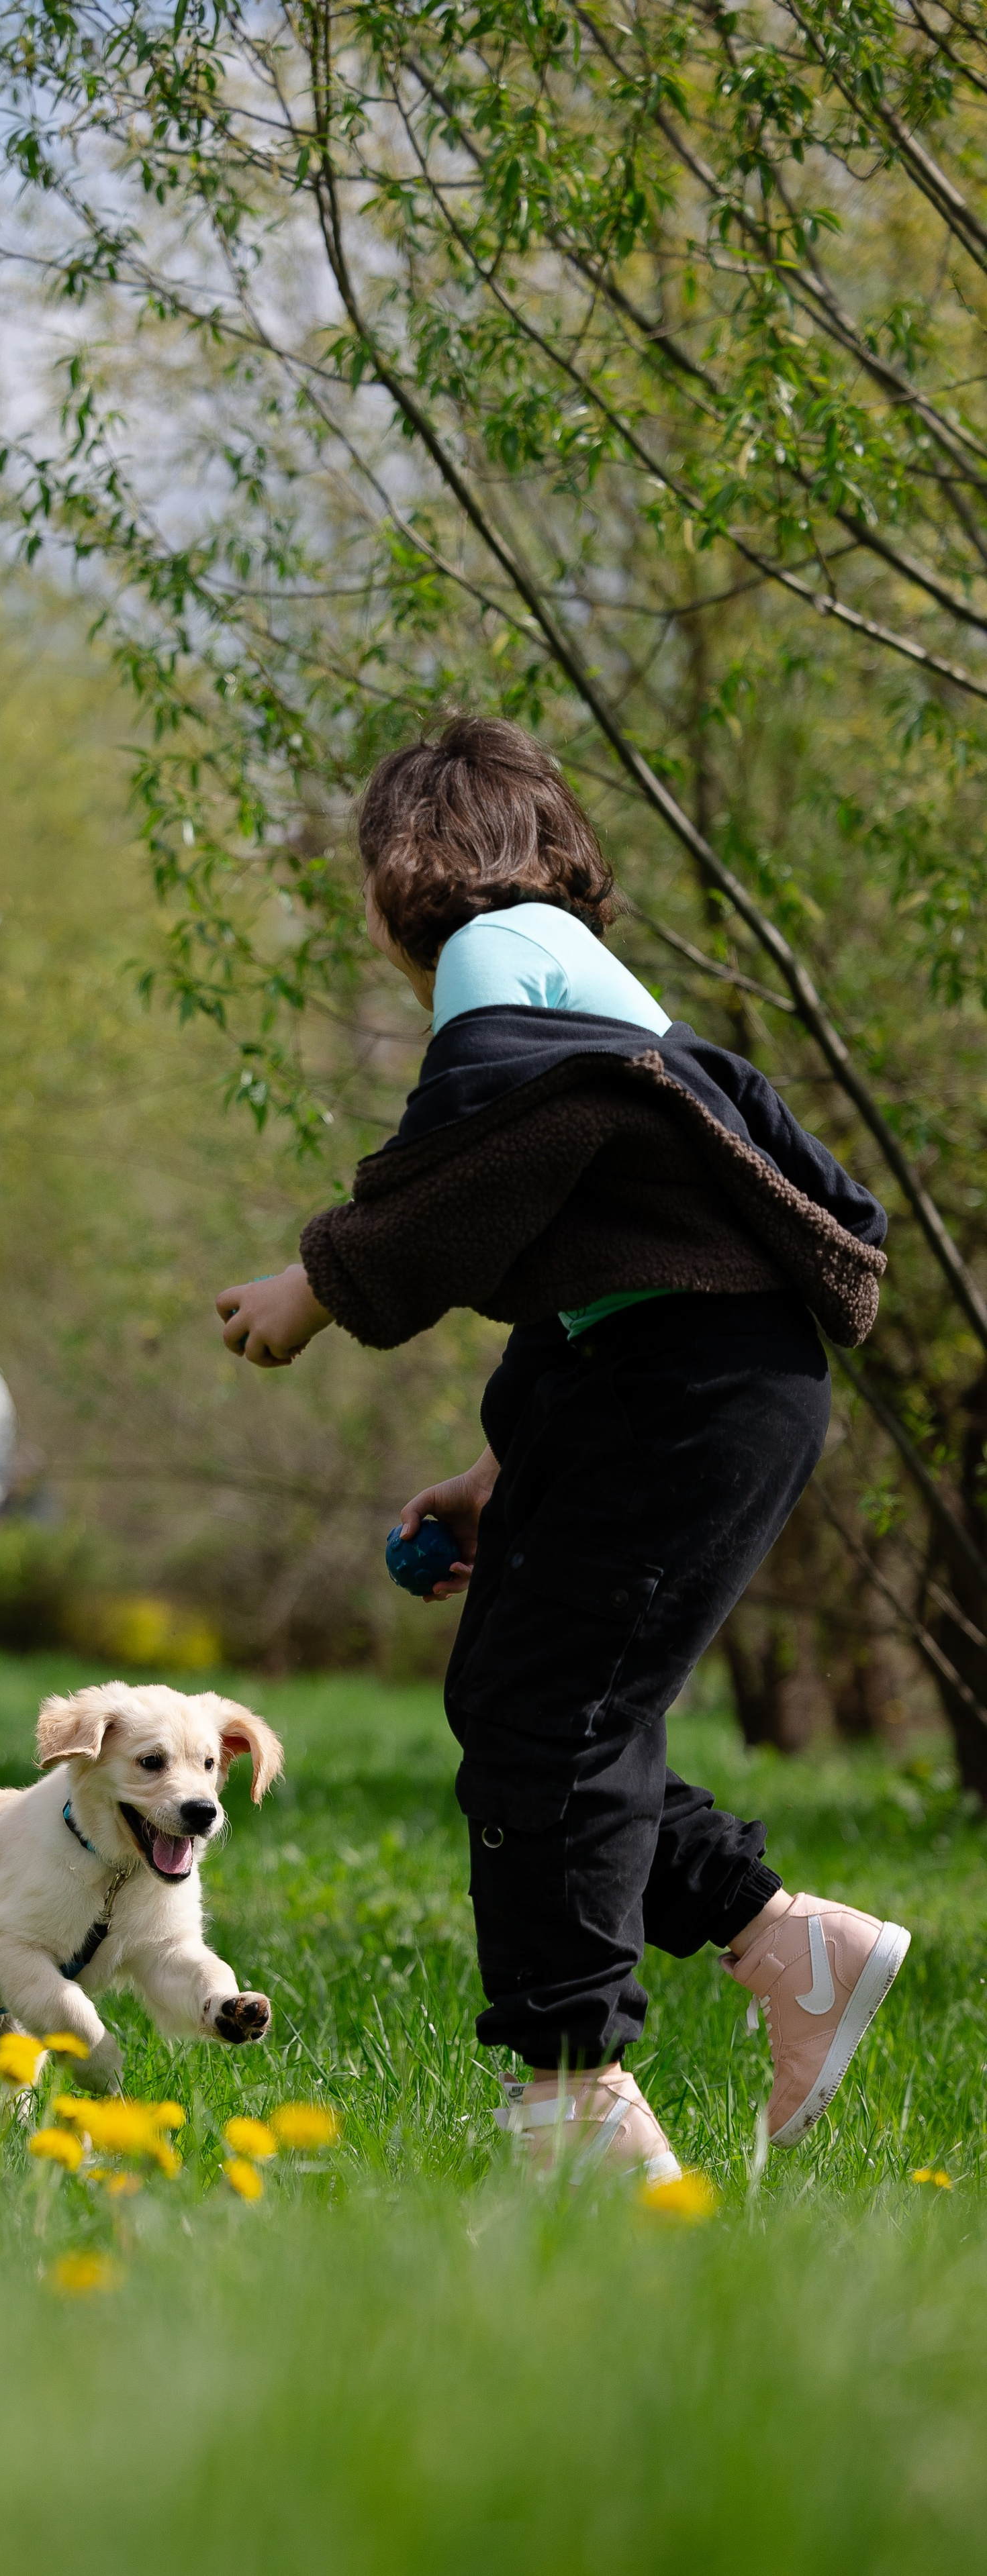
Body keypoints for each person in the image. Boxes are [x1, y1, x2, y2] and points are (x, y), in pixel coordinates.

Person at [215, 715, 908, 2183]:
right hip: (693, 1374)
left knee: (553, 1722)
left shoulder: (489, 950)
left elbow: (473, 1172)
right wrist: (499, 1470)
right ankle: (781, 1945)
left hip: (689, 1384)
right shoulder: (571, 968)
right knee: (534, 1701)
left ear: (399, 875)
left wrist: (316, 1284)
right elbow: (591, 1257)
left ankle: (571, 2093)